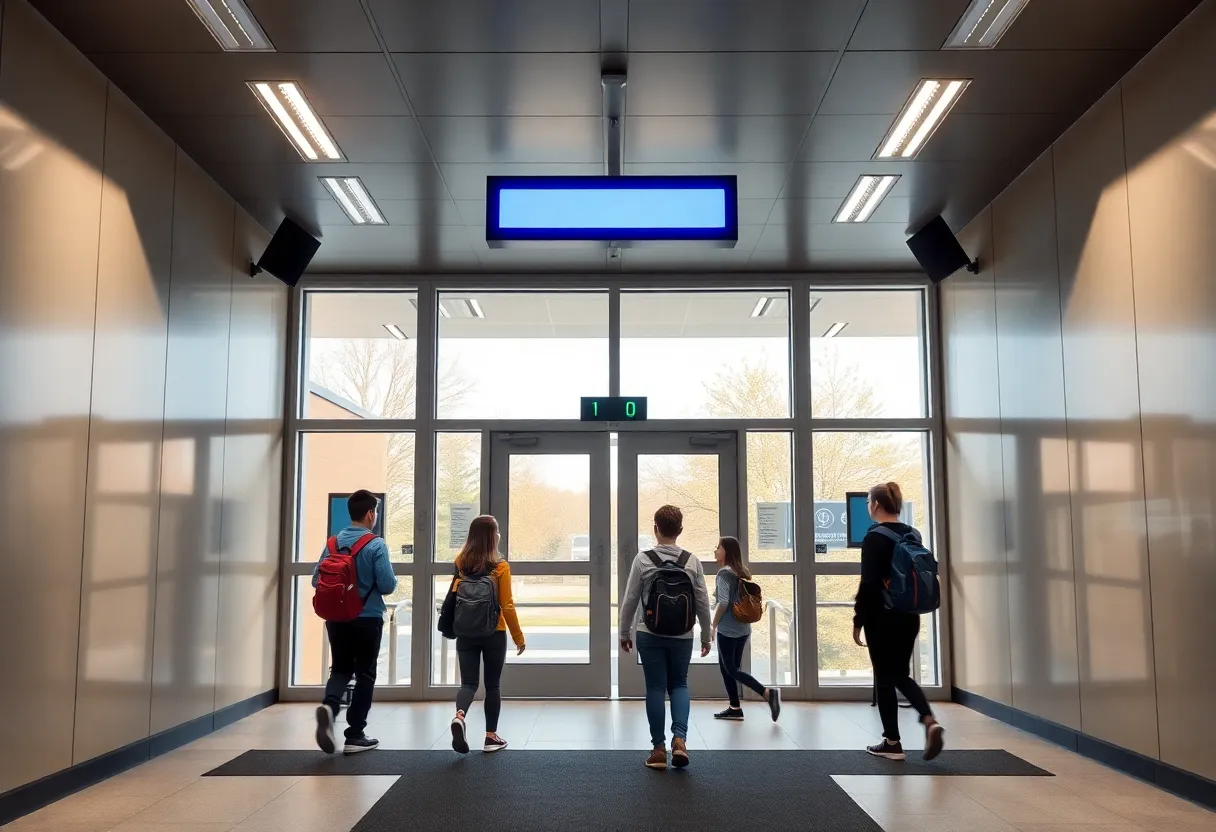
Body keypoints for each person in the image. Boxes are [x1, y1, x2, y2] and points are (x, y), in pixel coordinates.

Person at [854, 482, 945, 761]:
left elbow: (869, 584)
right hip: (909, 615)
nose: (869, 506)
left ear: (877, 505)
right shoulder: (912, 533)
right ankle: (928, 719)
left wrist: (858, 619)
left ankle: (893, 742)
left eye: (869, 501)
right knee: (899, 673)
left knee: (884, 676)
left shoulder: (874, 537)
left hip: (882, 617)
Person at [619, 505, 712, 770]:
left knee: (655, 688)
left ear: (656, 528)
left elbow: (630, 600)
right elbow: (703, 601)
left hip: (649, 632)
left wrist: (625, 632)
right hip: (683, 634)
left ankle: (658, 749)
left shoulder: (643, 559)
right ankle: (680, 740)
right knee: (679, 685)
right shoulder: (692, 561)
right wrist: (706, 634)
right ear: (680, 530)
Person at [313, 490, 397, 755]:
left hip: (336, 618)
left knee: (340, 669)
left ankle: (330, 706)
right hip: (367, 618)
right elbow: (387, 585)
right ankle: (355, 735)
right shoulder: (376, 544)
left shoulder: (332, 543)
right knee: (365, 674)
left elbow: (317, 580)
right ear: (371, 513)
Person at [450, 515, 525, 754]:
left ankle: (460, 716)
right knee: (492, 685)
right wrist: (518, 637)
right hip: (494, 631)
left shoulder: (461, 561)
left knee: (469, 683)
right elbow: (507, 604)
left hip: (465, 631)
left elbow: (454, 593)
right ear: (493, 536)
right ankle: (491, 737)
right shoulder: (500, 566)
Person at [710, 536, 781, 722]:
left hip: (728, 630)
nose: (715, 550)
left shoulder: (724, 574)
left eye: (718, 547)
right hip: (743, 629)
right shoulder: (739, 571)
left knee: (731, 669)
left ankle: (767, 693)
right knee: (728, 668)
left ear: (727, 551)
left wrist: (713, 625)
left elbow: (723, 602)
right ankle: (734, 707)